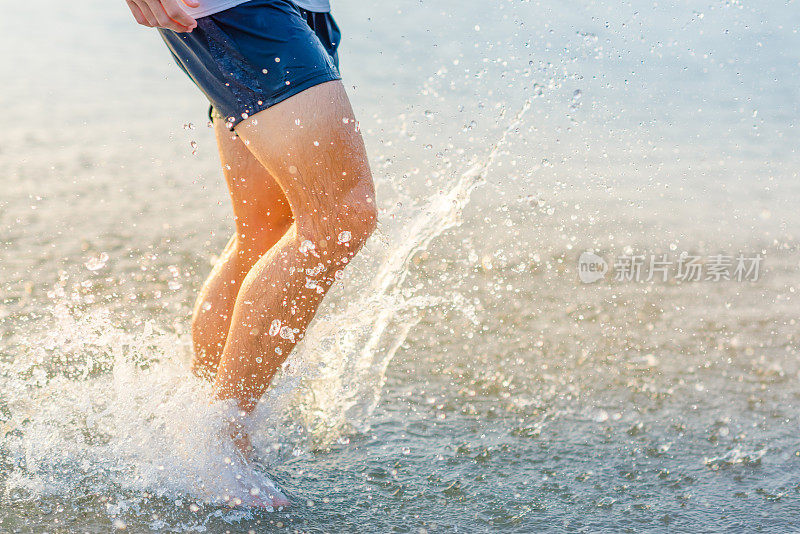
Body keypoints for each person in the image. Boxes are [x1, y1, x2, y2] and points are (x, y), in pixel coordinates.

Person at [123, 0, 377, 506]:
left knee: (267, 228)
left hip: (300, 8)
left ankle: (198, 425)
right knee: (340, 218)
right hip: (234, 7)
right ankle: (222, 443)